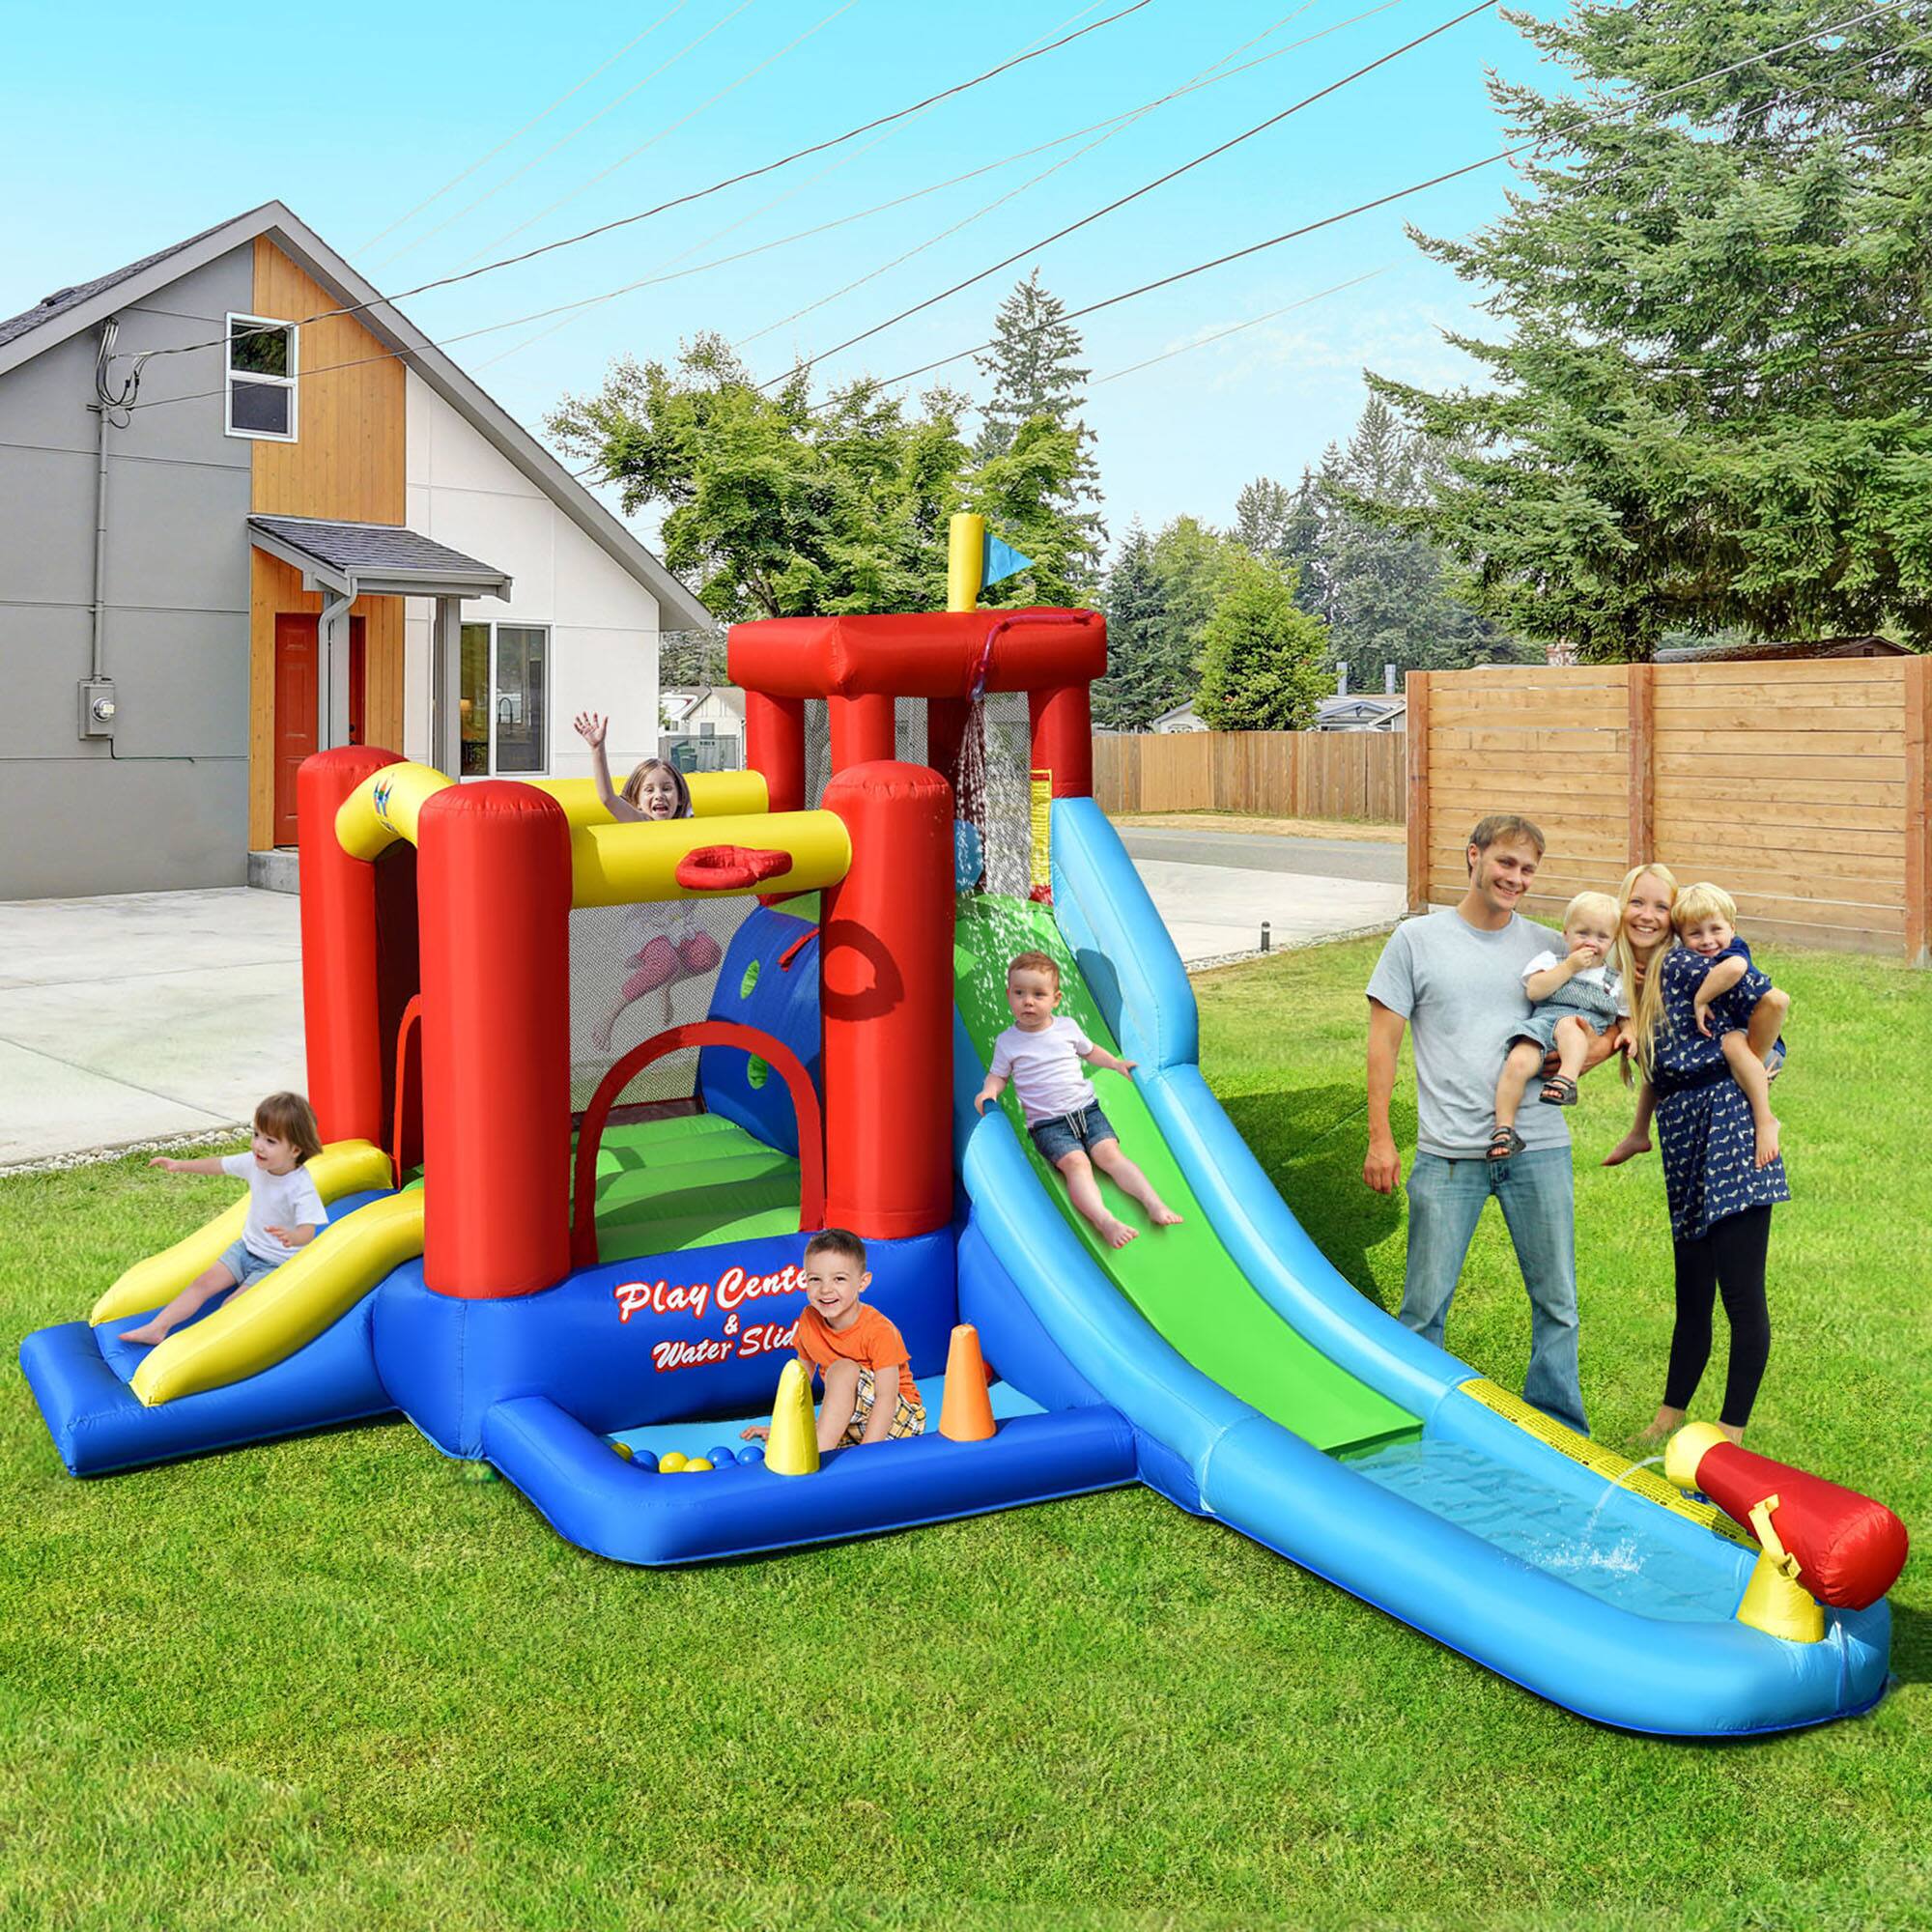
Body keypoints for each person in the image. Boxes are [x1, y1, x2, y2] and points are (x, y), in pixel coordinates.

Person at [1364, 814, 1616, 1437]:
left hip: (1540, 1148)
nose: (1516, 878)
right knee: (1424, 1309)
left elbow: (1601, 1025)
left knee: (1557, 1304)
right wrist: (1380, 1136)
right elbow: (1382, 1045)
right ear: (1473, 857)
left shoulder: (1551, 946)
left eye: (1528, 869)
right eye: (1506, 863)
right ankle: (1411, 1420)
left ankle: (1560, 1433)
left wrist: (1590, 1052)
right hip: (1450, 1152)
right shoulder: (1416, 941)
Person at [1606, 874, 1792, 1448]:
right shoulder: (1653, 975)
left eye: (1659, 906)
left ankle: (1730, 1432)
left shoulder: (1688, 966)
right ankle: (1669, 1414)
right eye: (1637, 904)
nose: (1647, 916)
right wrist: (1639, 1129)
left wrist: (1757, 1066)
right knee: (1692, 1291)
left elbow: (1770, 1001)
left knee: (1740, 1293)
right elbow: (1660, 1069)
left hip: (1731, 1134)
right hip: (1685, 1138)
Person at [974, 950, 1182, 1251]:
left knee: (1111, 1157)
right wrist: (989, 1091)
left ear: (1055, 999)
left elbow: (1089, 1050)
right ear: (1008, 995)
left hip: (1088, 1111)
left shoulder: (1067, 1027)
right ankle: (1105, 1220)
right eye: (1019, 993)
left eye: (1038, 994)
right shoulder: (1008, 1042)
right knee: (1077, 1164)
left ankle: (1154, 1204)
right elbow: (998, 1075)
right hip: (1049, 1126)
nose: (1028, 1001)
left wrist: (1114, 1063)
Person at [118, 1094, 326, 1348]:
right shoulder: (253, 1163)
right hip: (245, 1249)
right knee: (201, 1283)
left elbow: (308, 1232)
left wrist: (292, 1237)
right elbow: (218, 1165)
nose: (258, 1146)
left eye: (270, 1141)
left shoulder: (300, 1186)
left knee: (231, 1306)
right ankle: (156, 1329)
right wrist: (179, 1165)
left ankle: (201, 1347)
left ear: (295, 1149)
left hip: (276, 1265)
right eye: (256, 1134)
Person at [572, 712, 721, 1052]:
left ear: (679, 797)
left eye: (667, 789)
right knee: (664, 961)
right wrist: (598, 748)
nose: (660, 796)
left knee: (709, 954)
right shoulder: (639, 823)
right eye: (650, 790)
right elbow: (609, 800)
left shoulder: (689, 825)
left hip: (681, 922)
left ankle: (666, 984)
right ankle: (610, 1014)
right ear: (638, 802)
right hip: (647, 925)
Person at [740, 1230, 924, 1451]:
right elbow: (800, 1380)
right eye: (815, 1279)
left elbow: (886, 1398)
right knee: (798, 1434)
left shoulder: (879, 1330)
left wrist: (868, 1454)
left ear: (862, 1282)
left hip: (899, 1420)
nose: (826, 1289)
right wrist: (783, 1427)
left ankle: (818, 1449)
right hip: (853, 1423)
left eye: (839, 1279)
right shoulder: (809, 1320)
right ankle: (821, 1442)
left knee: (842, 1369)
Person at [1489, 890, 1626, 1159]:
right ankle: (1504, 1130)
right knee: (1517, 1061)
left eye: (1602, 936)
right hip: (1541, 1027)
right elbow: (1535, 991)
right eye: (1582, 933)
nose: (1591, 942)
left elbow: (1625, 1016)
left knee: (1567, 1025)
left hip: (1580, 1029)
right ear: (1565, 933)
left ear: (1613, 942)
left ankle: (1566, 1080)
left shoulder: (1614, 980)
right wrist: (1568, 968)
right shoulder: (1552, 961)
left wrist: (1629, 1033)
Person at [1676, 882, 1785, 1171]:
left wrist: (1701, 1000)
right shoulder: (1689, 961)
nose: (1707, 940)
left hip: (1761, 1043)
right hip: (1743, 1051)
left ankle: (1766, 1121)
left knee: (1732, 1042)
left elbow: (1735, 968)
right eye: (1694, 933)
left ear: (1733, 928)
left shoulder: (1735, 951)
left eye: (1716, 929)